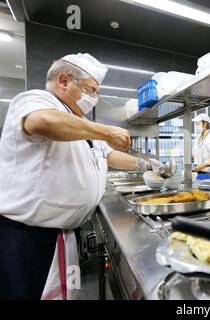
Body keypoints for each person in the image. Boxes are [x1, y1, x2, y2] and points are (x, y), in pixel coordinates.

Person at [0, 53, 160, 300]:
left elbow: (107, 155)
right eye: (91, 90)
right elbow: (40, 122)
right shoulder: (36, 100)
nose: (93, 98)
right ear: (64, 80)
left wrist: (146, 165)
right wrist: (106, 131)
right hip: (29, 238)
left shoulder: (78, 121)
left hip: (60, 235)